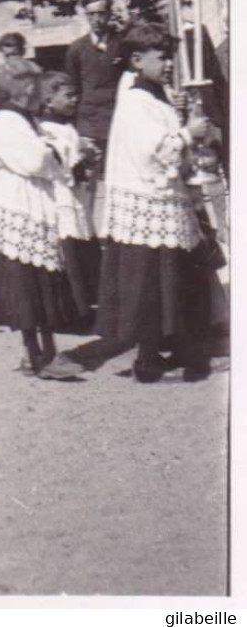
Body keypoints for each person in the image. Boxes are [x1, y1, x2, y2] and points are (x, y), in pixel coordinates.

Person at [96, 22, 213, 383]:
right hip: (147, 203)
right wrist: (185, 133)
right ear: (136, 59)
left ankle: (178, 351)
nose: (168, 64)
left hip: (164, 201)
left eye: (170, 57)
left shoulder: (154, 94)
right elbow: (151, 152)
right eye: (161, 57)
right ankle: (148, 361)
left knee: (172, 281)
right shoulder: (134, 100)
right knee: (150, 285)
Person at [0, 59, 85, 379]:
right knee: (28, 288)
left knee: (42, 286)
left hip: (32, 208)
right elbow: (35, 159)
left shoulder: (25, 120)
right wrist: (54, 149)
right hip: (17, 211)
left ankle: (45, 351)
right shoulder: (4, 122)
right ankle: (38, 355)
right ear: (24, 89)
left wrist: (51, 147)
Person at [38, 71, 101, 313]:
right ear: (48, 100)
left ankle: (86, 303)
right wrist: (81, 158)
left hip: (76, 194)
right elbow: (60, 163)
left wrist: (88, 157)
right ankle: (72, 308)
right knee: (69, 250)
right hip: (61, 196)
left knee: (83, 245)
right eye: (68, 96)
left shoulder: (67, 126)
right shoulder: (46, 129)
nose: (75, 100)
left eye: (76, 95)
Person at [64, 0, 122, 162]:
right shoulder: (76, 49)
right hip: (90, 122)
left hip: (117, 119)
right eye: (91, 14)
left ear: (110, 14)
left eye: (101, 13)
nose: (96, 19)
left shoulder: (123, 44)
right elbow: (72, 88)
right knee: (92, 172)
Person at [0, 32, 40, 111]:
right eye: (8, 56)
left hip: (11, 113)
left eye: (13, 55)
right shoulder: (36, 69)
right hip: (34, 112)